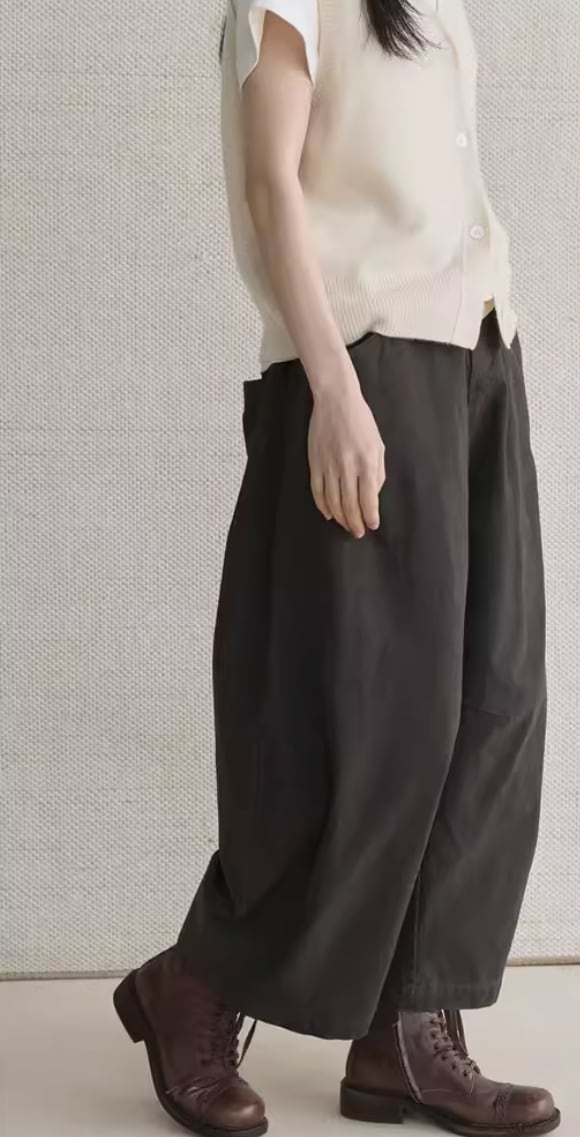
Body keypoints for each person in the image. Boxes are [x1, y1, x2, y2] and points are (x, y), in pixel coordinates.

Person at [113, 2, 554, 1135]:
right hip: (364, 362)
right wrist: (333, 389)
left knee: (494, 702)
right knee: (368, 723)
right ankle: (196, 984)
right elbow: (272, 184)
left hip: (477, 353)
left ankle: (407, 1030)